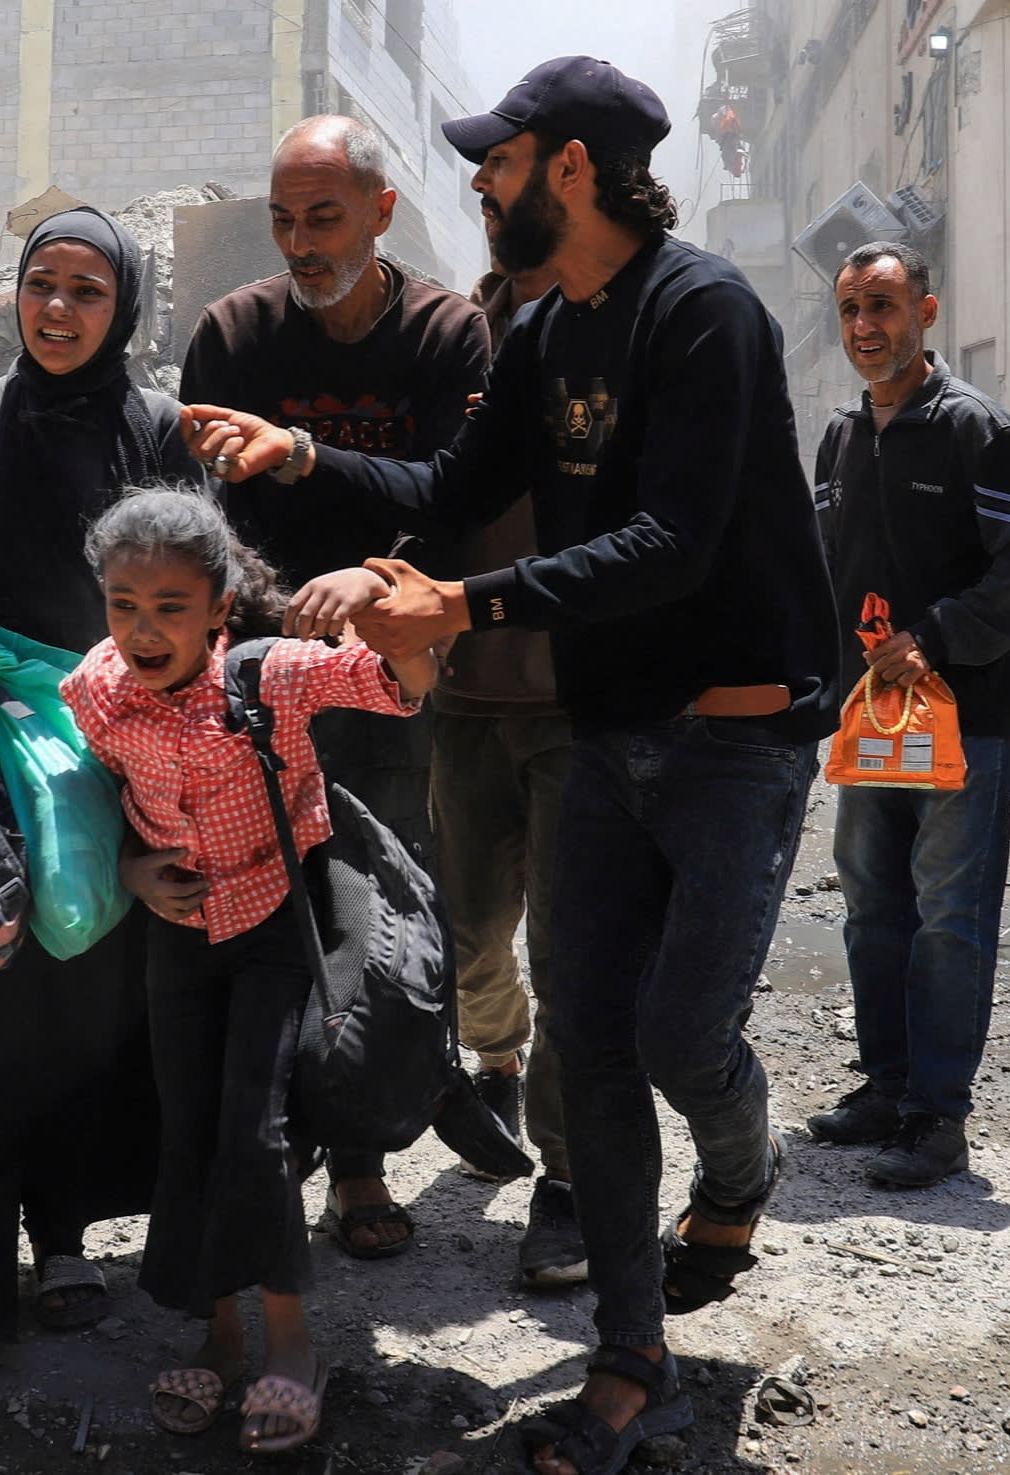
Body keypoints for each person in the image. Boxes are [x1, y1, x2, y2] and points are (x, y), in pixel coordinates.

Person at [185, 56, 842, 1475]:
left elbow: (674, 538)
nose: (477, 182)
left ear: (572, 169)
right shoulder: (546, 334)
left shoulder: (701, 310)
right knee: (588, 1043)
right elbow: (443, 492)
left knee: (680, 1038)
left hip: (736, 735)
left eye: (498, 159)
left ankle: (739, 1168)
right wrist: (302, 461)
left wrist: (458, 604)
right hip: (608, 736)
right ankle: (631, 1357)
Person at [0, 204, 199, 1391]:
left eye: (87, 292)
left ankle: (62, 1237)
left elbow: (198, 590)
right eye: (41, 286)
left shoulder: (154, 429)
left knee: (85, 1003)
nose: (57, 311)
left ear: (124, 308)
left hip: (118, 763)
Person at [61, 488, 436, 1455]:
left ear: (220, 606)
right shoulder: (96, 688)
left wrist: (385, 597)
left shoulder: (270, 677)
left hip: (276, 922)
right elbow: (94, 803)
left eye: (170, 607)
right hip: (178, 934)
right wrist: (133, 871)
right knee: (186, 1125)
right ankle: (219, 1334)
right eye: (123, 603)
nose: (142, 629)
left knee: (255, 1130)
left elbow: (406, 682)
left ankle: (293, 1341)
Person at [179, 113, 490, 1261]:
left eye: (323, 216)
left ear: (380, 212)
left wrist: (361, 558)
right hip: (256, 680)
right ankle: (267, 1148)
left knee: (383, 899)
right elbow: (207, 516)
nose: (302, 241)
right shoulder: (233, 333)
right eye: (283, 219)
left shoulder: (448, 334)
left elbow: (453, 494)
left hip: (389, 670)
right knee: (259, 905)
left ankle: (362, 1154)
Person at [806, 241, 1010, 1188]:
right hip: (870, 724)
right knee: (874, 907)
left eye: (883, 306)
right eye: (850, 310)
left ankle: (937, 1115)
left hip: (962, 725)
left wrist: (941, 634)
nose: (865, 328)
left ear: (927, 310)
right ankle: (886, 1084)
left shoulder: (972, 430)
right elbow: (824, 576)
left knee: (950, 915)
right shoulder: (839, 436)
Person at [434, 252, 587, 1285]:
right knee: (473, 926)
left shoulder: (623, 335)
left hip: (582, 700)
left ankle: (569, 1179)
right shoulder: (455, 338)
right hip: (465, 693)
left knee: (575, 950)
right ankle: (496, 1056)